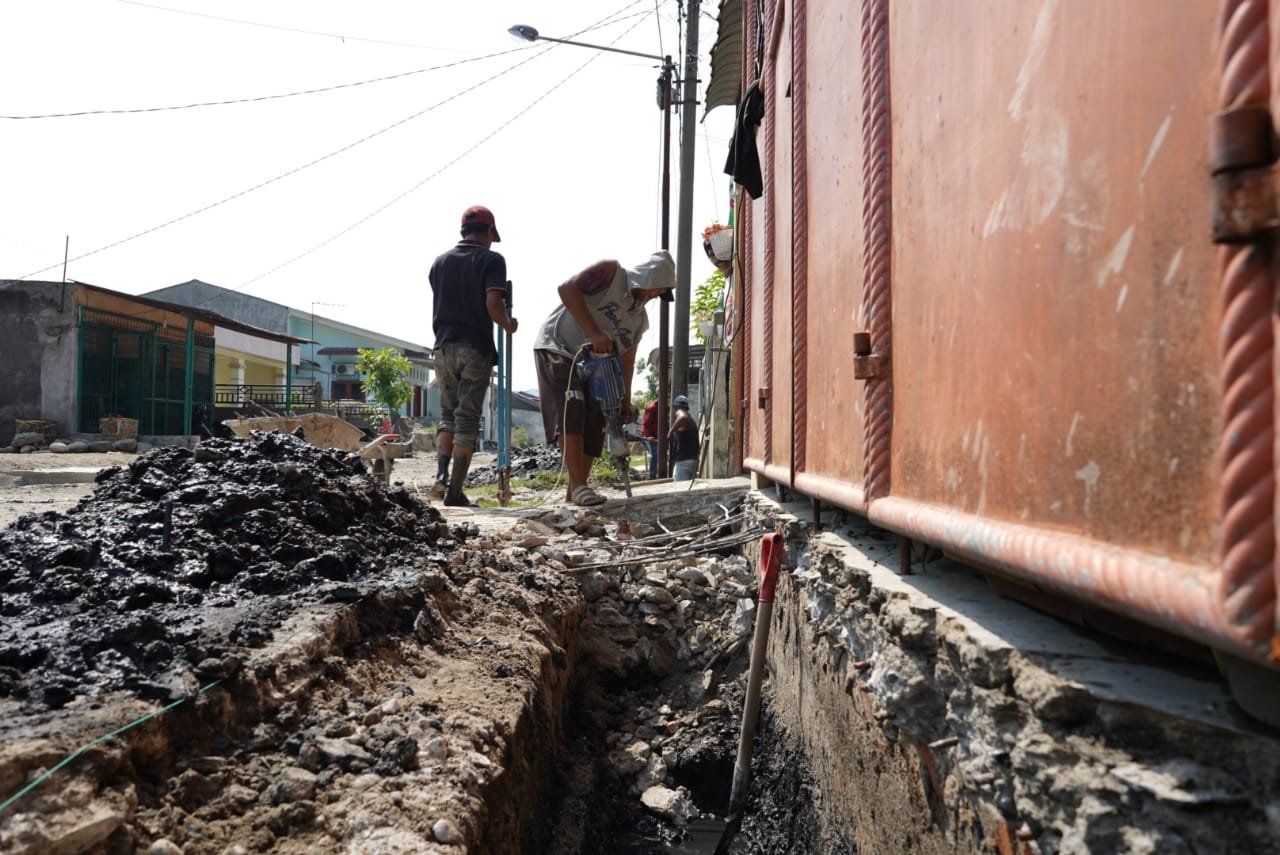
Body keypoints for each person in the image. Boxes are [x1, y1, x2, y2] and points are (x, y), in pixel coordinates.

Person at [533, 250, 676, 506]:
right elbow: (566, 289)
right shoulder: (611, 274)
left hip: (594, 364)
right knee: (571, 406)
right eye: (660, 289)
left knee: (598, 417)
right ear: (652, 279)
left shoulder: (638, 321)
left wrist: (624, 399)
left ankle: (576, 490)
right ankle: (577, 485)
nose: (656, 296)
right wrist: (593, 332)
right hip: (559, 347)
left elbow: (627, 361)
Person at [428, 205, 518, 506]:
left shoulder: (439, 262)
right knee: (467, 420)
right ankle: (454, 492)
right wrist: (508, 323)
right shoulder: (491, 259)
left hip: (442, 347)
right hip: (474, 347)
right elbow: (493, 304)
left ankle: (440, 476)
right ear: (490, 232)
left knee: (447, 415)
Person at [669, 395, 699, 481]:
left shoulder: (681, 413)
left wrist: (671, 431)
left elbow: (683, 416)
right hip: (692, 460)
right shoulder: (690, 420)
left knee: (680, 489)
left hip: (683, 461)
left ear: (676, 407)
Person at [640, 398, 659, 480]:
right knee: (656, 454)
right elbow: (646, 423)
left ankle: (657, 473)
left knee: (659, 455)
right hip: (649, 436)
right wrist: (648, 436)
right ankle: (651, 476)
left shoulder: (665, 406)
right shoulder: (652, 407)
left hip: (658, 436)